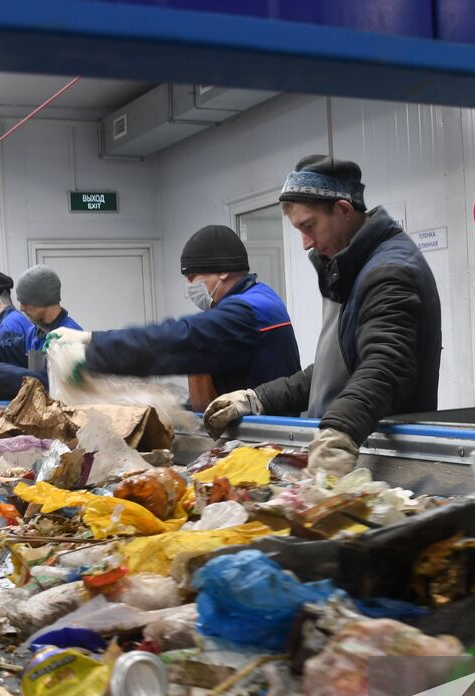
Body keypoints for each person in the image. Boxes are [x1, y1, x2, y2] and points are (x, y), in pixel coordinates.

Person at [203, 156, 442, 475]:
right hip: (360, 459)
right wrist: (257, 399)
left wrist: (339, 432)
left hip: (385, 463)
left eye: (309, 226)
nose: (305, 244)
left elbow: (385, 365)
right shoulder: (354, 267)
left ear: (343, 210)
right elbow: (338, 367)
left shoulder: (390, 271)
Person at [50, 225, 301, 410]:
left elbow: (179, 339)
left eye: (192, 277)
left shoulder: (251, 310)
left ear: (223, 271)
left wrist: (93, 355)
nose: (188, 285)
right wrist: (91, 338)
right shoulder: (257, 297)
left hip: (270, 436)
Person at [0, 264, 83, 401]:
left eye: (27, 302)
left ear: (43, 300)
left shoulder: (70, 337)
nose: (22, 308)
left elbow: (49, 382)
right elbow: (1, 351)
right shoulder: (35, 334)